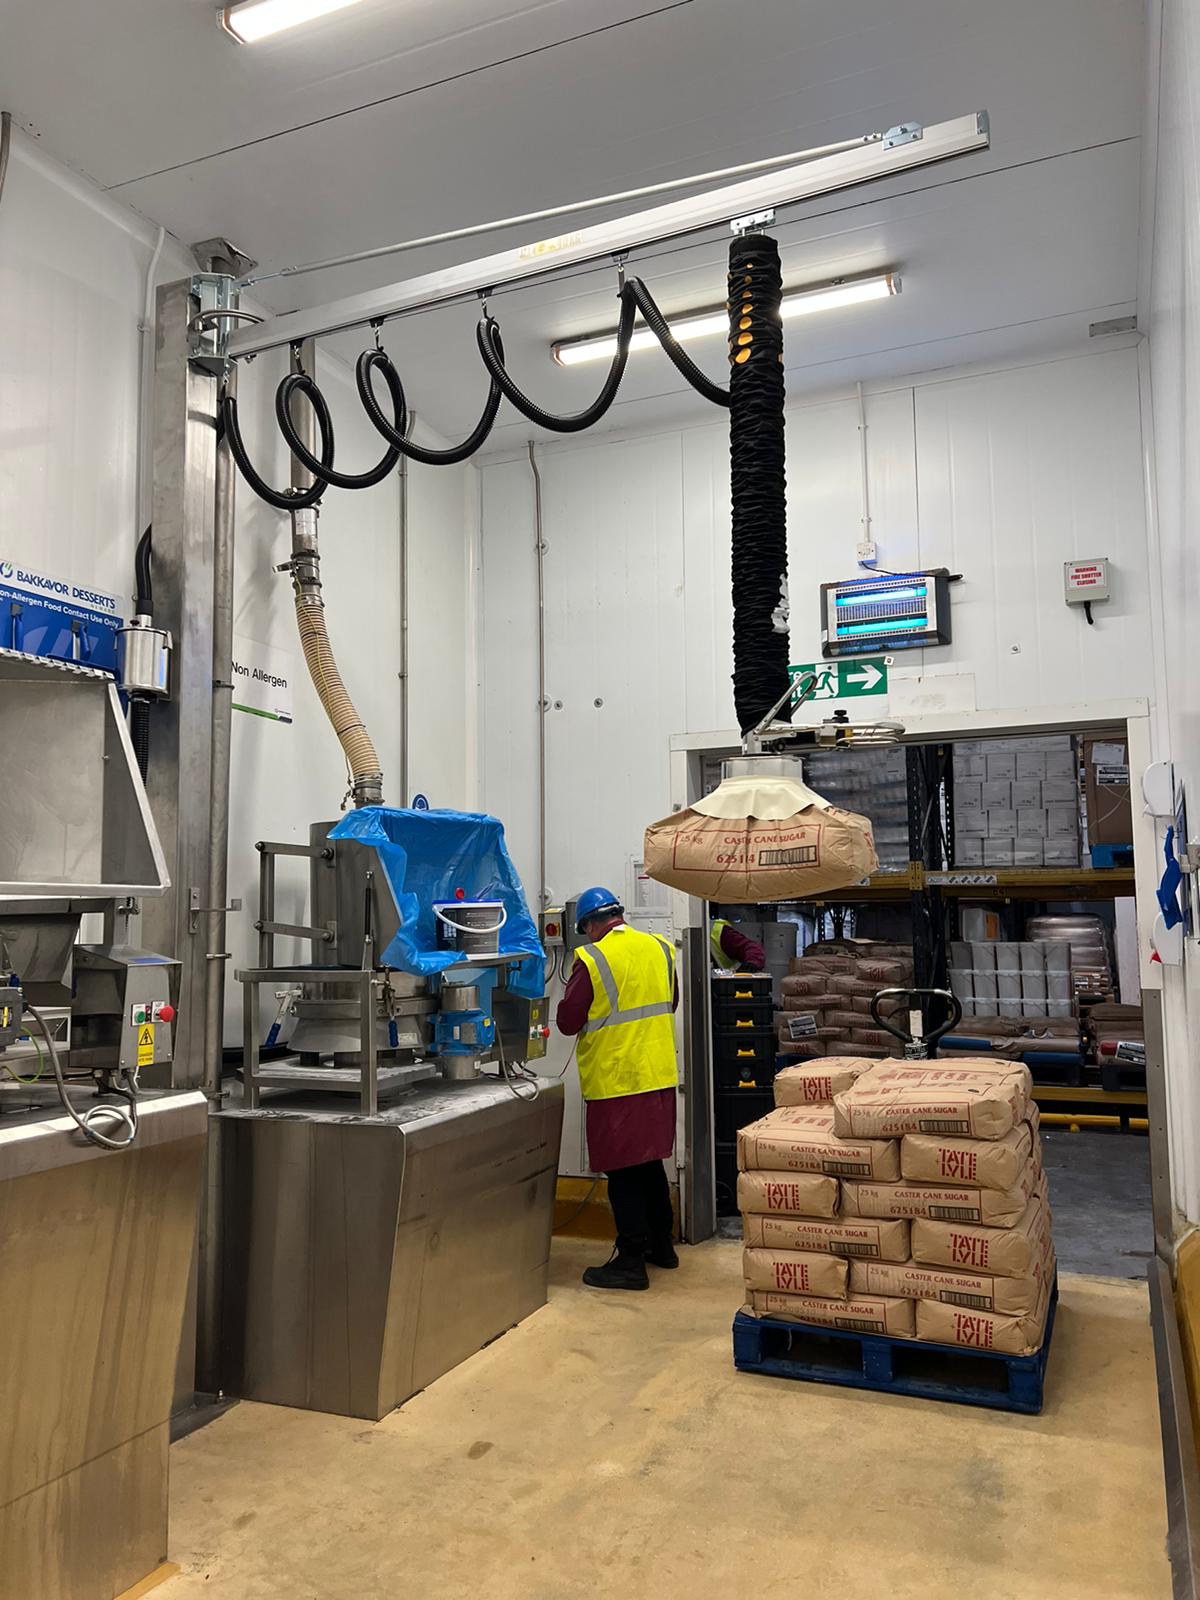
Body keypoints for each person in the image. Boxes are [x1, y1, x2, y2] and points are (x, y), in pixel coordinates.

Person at [556, 887, 680, 1291]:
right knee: (649, 1165)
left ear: (590, 925)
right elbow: (671, 1001)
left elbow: (568, 1021)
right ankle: (662, 1248)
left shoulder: (592, 958)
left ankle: (630, 1262)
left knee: (623, 1174)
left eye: (585, 929)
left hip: (617, 1081)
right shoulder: (660, 947)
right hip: (659, 1076)